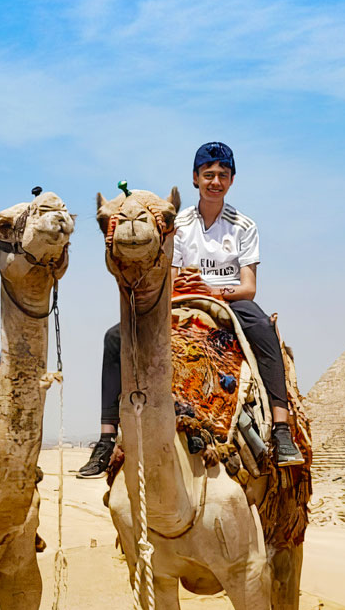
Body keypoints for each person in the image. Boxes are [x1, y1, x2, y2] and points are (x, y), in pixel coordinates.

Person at [76, 142, 304, 477]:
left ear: (231, 180)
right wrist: (186, 286)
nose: (215, 181)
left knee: (264, 330)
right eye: (208, 175)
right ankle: (107, 437)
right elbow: (169, 276)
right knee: (116, 338)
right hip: (180, 298)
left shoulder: (243, 225)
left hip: (230, 300)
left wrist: (212, 290)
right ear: (195, 178)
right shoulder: (175, 223)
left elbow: (249, 286)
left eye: (222, 175)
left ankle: (281, 430)